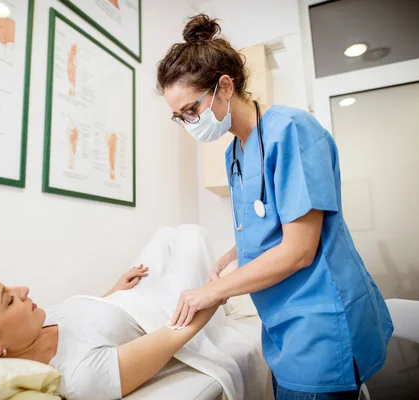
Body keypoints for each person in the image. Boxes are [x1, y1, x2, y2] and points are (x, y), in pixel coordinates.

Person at [158, 14, 394, 400]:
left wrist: (212, 293)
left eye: (191, 110)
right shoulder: (234, 152)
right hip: (281, 321)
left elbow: (299, 250)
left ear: (224, 86)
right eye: (179, 116)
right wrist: (229, 257)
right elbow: (264, 218)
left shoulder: (291, 130)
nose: (188, 123)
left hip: (319, 321)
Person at [0, 226, 253, 400]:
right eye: (8, 300)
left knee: (165, 237)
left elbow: (87, 321)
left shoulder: (35, 325)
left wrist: (114, 289)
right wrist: (220, 290)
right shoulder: (82, 377)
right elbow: (177, 332)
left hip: (133, 297)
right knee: (188, 238)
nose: (23, 291)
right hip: (170, 307)